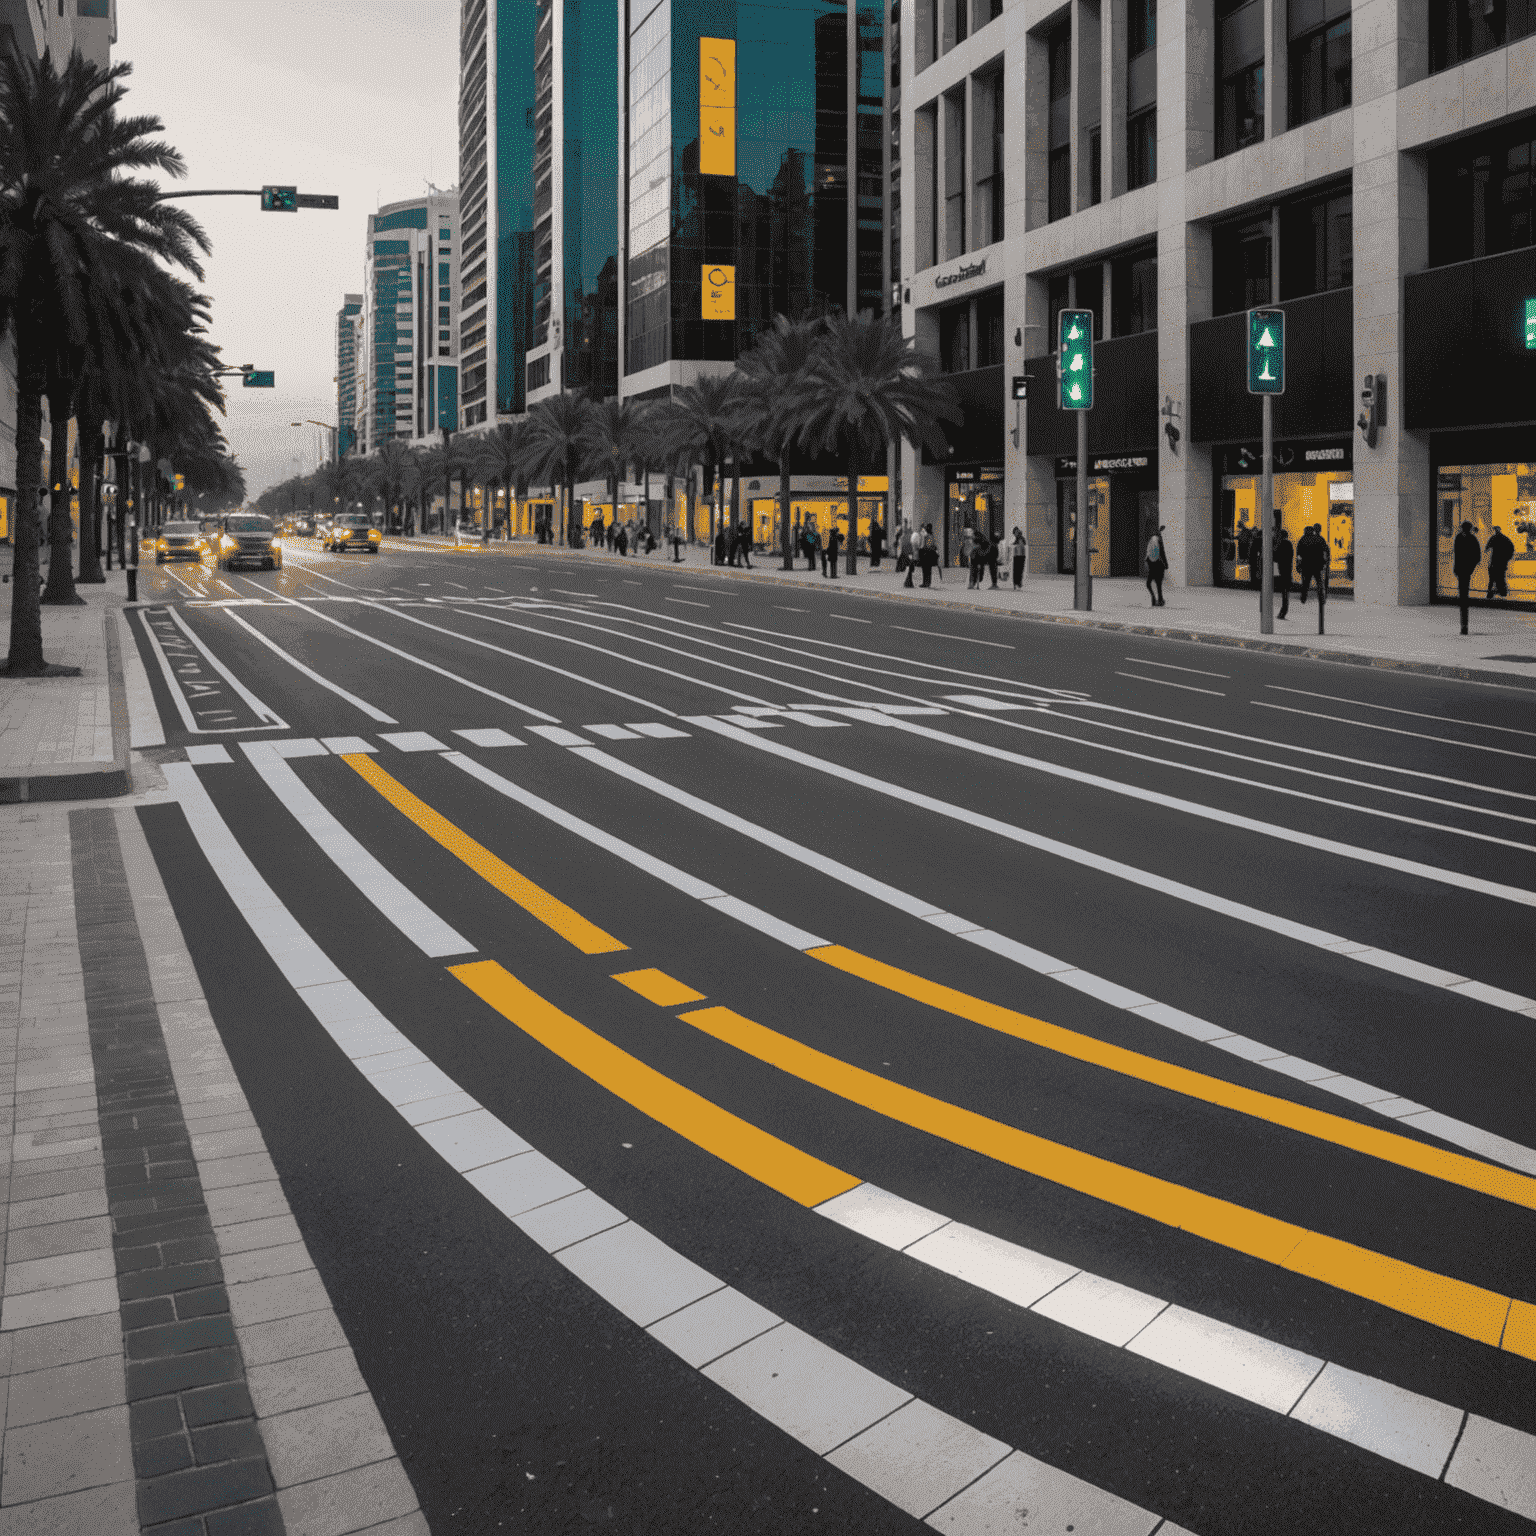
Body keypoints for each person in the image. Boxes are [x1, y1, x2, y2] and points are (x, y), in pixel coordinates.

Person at [1453, 520, 1482, 634]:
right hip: (1463, 570)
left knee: (1463, 597)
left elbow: (1458, 554)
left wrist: (1465, 568)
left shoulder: (1460, 538)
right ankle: (1464, 626)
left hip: (1463, 570)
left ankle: (1464, 626)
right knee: (1463, 597)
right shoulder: (1470, 539)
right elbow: (1476, 556)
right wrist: (1470, 568)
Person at [1296, 524, 1327, 604]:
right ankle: (1321, 598)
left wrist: (1298, 565)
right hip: (1317, 565)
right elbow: (1325, 551)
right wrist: (1324, 562)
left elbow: (1299, 555)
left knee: (1305, 583)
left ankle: (1303, 598)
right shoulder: (1319, 539)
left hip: (1306, 565)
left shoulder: (1302, 540)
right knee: (1319, 582)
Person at [1487, 525, 1515, 599]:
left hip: (1495, 561)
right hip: (1502, 561)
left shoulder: (1494, 538)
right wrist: (1507, 558)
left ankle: (1492, 592)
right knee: (1501, 576)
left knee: (1493, 577)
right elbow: (1511, 548)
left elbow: (1487, 547)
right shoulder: (1505, 539)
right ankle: (1502, 591)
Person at [1144, 524, 1167, 607]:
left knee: (1152, 583)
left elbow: (1153, 552)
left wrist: (1147, 561)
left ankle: (1156, 599)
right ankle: (1158, 599)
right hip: (1157, 564)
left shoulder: (1154, 539)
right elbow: (1161, 552)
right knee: (1157, 583)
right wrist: (1166, 564)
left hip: (1155, 564)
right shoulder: (1156, 539)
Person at [1275, 523, 1293, 620]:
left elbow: (1276, 556)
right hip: (1287, 569)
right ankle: (1283, 611)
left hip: (1283, 570)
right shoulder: (1288, 544)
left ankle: (1283, 611)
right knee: (1285, 592)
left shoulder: (1282, 544)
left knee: (1285, 592)